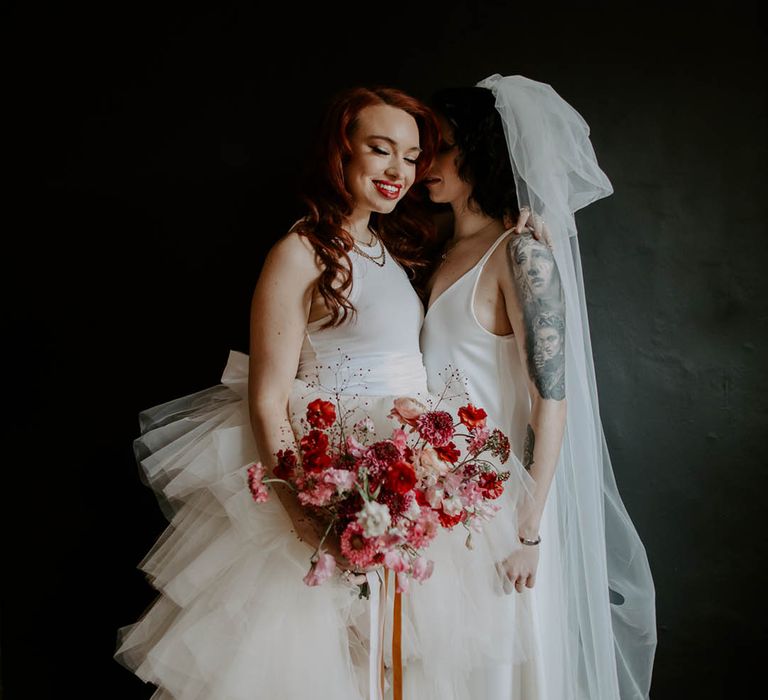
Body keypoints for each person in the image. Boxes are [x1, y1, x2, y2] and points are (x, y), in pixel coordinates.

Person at [115, 83, 534, 700]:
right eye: (380, 150)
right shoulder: (299, 251)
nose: (399, 171)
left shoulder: (390, 249)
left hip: (399, 475)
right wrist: (306, 517)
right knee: (314, 664)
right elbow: (266, 396)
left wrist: (522, 227)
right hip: (330, 475)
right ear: (342, 152)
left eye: (413, 156)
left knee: (389, 665)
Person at [420, 75, 657, 699]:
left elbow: (553, 397)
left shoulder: (519, 251)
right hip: (433, 500)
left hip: (502, 512)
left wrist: (528, 528)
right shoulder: (440, 250)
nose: (425, 160)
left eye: (440, 146)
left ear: (481, 151)